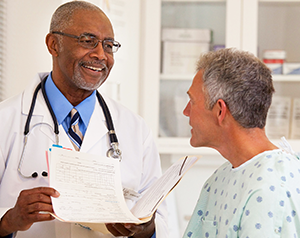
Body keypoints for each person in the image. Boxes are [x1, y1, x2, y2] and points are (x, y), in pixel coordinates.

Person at [0, 1, 168, 238]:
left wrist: (145, 229)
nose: (100, 55)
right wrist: (8, 220)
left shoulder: (135, 130)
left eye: (109, 45)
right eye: (88, 41)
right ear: (53, 44)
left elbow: (162, 221)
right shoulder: (5, 121)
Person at [182, 48, 300, 237]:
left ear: (220, 110)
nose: (186, 111)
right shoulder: (220, 178)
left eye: (192, 101)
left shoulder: (269, 190)